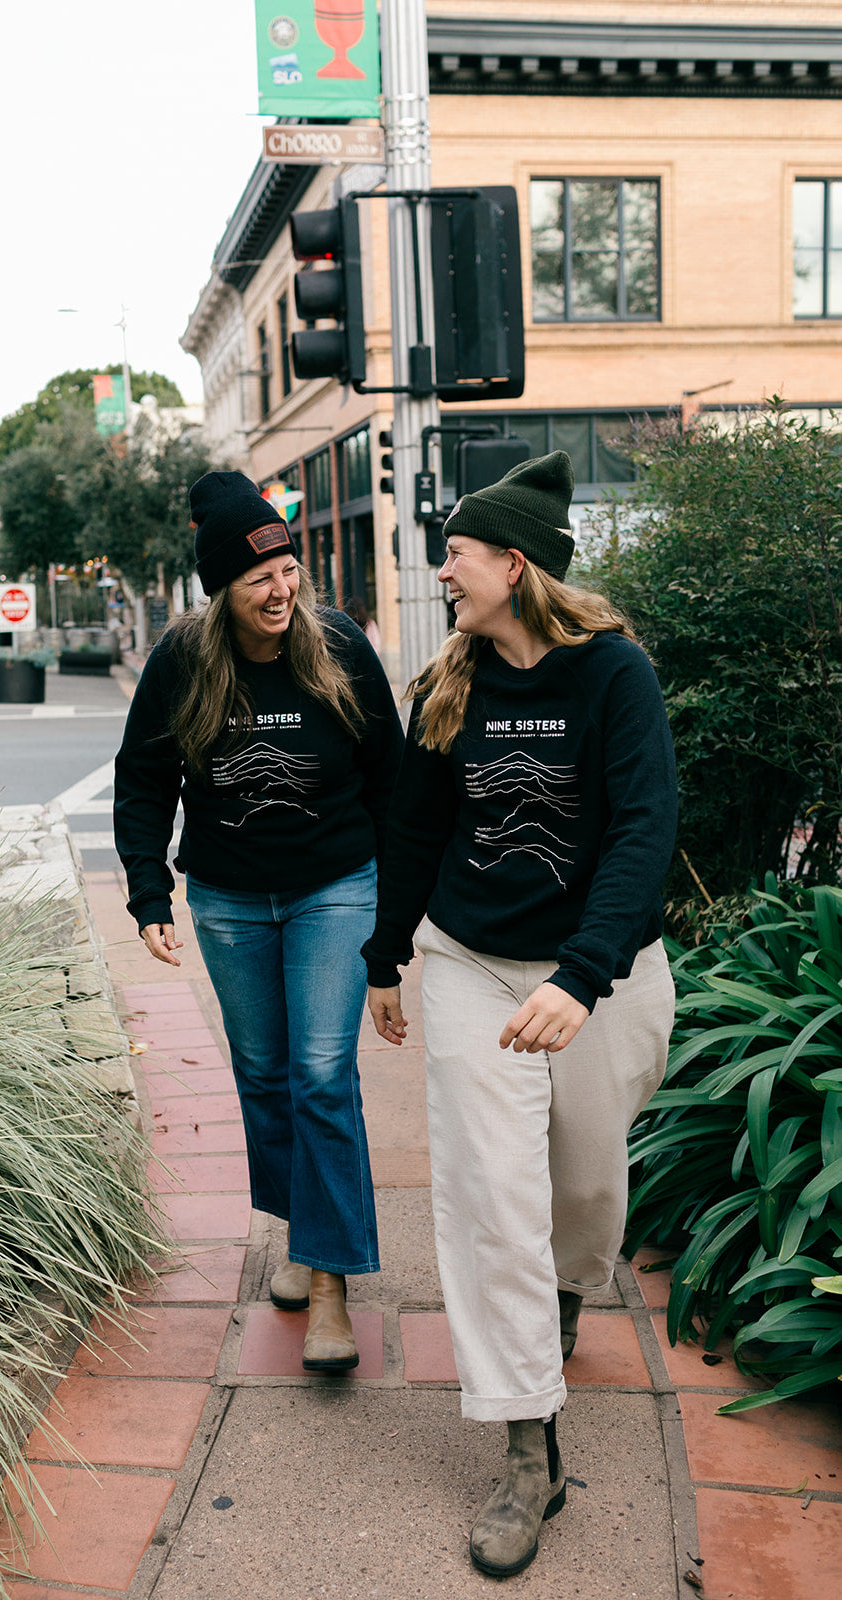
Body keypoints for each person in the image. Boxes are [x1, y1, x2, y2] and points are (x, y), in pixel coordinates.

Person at [362, 451, 677, 1578]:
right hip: (470, 963)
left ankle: (555, 1311)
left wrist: (579, 975)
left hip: (600, 971)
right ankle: (525, 1445)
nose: (438, 568)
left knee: (585, 1189)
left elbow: (644, 830)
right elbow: (410, 831)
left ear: (513, 562)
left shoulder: (611, 677)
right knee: (491, 1192)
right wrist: (388, 958)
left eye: (453, 552)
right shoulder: (447, 684)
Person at [114, 470, 403, 1372]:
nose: (279, 590)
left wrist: (397, 914)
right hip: (231, 897)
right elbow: (143, 777)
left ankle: (329, 1283)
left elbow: (391, 777)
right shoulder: (184, 659)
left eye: (286, 569)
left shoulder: (339, 646)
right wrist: (145, 890)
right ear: (221, 590)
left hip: (334, 885)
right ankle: (298, 1233)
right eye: (257, 578)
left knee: (320, 1074)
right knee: (264, 1073)